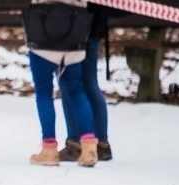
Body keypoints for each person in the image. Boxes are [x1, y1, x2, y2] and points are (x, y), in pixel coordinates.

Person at [25, 0, 98, 167]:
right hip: (74, 33)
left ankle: (49, 149)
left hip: (42, 34)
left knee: (44, 92)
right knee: (76, 90)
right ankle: (89, 148)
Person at [58, 3, 127, 162]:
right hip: (91, 26)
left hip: (77, 27)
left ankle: (76, 143)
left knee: (70, 84)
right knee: (88, 83)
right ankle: (100, 143)